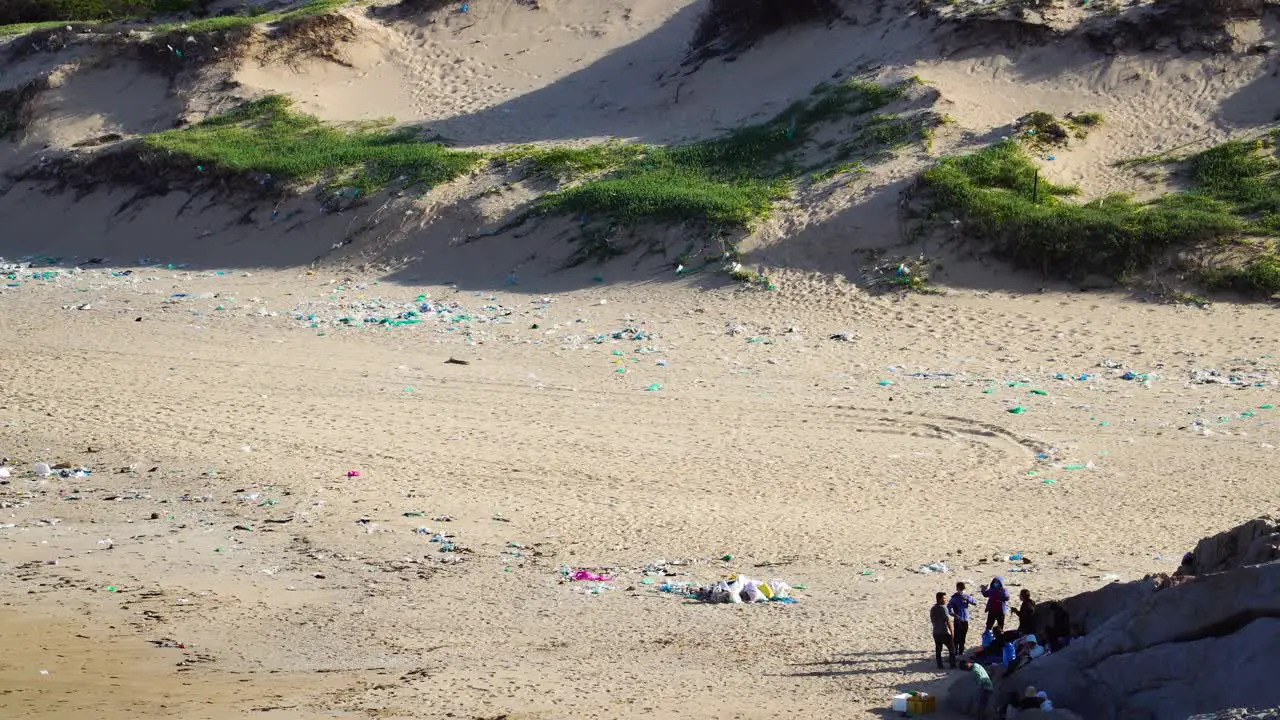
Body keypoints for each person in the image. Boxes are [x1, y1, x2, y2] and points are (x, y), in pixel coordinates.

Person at [948, 581, 978, 656]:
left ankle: (961, 652)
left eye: (962, 589)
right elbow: (948, 607)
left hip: (965, 620)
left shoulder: (966, 596)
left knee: (963, 637)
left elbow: (975, 602)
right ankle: (954, 652)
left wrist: (967, 598)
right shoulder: (954, 598)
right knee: (957, 637)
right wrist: (953, 614)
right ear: (957, 589)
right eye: (960, 589)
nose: (961, 591)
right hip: (958, 620)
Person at [930, 591, 956, 669]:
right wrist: (952, 632)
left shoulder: (933, 608)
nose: (945, 600)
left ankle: (939, 665)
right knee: (952, 648)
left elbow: (932, 620)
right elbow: (948, 621)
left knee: (938, 649)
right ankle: (952, 664)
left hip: (935, 632)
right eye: (944, 598)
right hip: (943, 632)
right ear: (939, 599)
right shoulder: (943, 608)